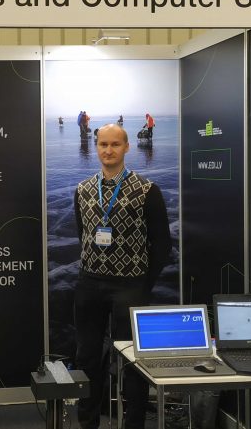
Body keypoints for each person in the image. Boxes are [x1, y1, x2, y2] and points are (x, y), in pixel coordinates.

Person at [73, 124, 171, 429]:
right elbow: (82, 234)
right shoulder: (83, 190)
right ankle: (88, 422)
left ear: (127, 147)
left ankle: (134, 423)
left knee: (132, 362)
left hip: (130, 286)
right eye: (103, 144)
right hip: (90, 284)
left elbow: (162, 244)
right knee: (87, 357)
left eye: (115, 144)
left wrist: (143, 284)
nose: (108, 150)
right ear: (96, 146)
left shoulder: (147, 190)